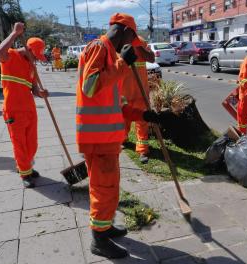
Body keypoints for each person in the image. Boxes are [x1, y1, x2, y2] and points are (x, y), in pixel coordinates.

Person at [76, 13, 161, 259]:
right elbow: (89, 87)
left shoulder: (110, 56)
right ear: (124, 31)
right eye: (132, 38)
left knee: (110, 188)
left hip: (107, 138)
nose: (132, 44)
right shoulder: (98, 47)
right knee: (103, 189)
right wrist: (122, 63)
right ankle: (99, 240)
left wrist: (143, 115)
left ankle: (106, 227)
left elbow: (117, 102)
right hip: (98, 137)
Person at [0, 22, 49, 188]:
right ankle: (25, 173)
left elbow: (33, 89)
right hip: (13, 110)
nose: (36, 60)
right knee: (19, 144)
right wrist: (14, 33)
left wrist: (41, 93)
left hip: (29, 109)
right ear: (28, 49)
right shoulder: (10, 56)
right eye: (35, 56)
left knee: (32, 143)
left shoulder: (31, 66)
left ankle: (27, 167)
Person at [121, 37, 155, 164]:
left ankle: (142, 150)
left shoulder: (141, 41)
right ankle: (122, 139)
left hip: (141, 92)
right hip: (123, 93)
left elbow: (151, 58)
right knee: (123, 120)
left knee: (142, 121)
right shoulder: (117, 42)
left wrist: (139, 46)